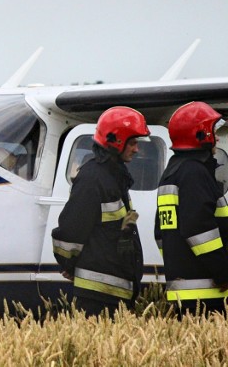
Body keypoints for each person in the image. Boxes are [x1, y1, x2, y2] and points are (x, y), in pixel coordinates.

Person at [52, 106, 150, 317]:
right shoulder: (93, 179)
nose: (136, 150)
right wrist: (69, 264)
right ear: (116, 141)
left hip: (114, 292)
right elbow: (71, 231)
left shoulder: (114, 176)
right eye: (133, 143)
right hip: (97, 295)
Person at [154, 101, 228, 317]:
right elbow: (199, 230)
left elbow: (161, 234)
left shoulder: (173, 172)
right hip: (207, 290)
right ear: (201, 135)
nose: (217, 138)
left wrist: (178, 264)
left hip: (184, 289)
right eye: (214, 131)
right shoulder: (194, 173)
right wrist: (223, 271)